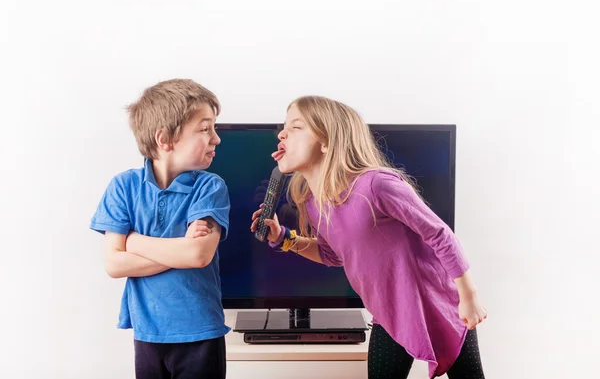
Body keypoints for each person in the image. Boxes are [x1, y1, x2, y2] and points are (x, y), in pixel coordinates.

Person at [250, 96, 487, 379]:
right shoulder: (313, 203)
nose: (282, 134)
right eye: (284, 127)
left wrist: (468, 296)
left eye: (296, 127)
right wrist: (284, 238)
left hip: (439, 305)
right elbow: (332, 254)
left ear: (326, 142)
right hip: (388, 315)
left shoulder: (376, 184)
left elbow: (439, 234)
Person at [90, 79, 230, 379]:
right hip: (147, 334)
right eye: (205, 129)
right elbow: (114, 264)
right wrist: (179, 248)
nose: (216, 139)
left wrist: (133, 241)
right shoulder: (123, 187)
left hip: (201, 333)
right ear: (165, 139)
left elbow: (197, 256)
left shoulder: (210, 187)